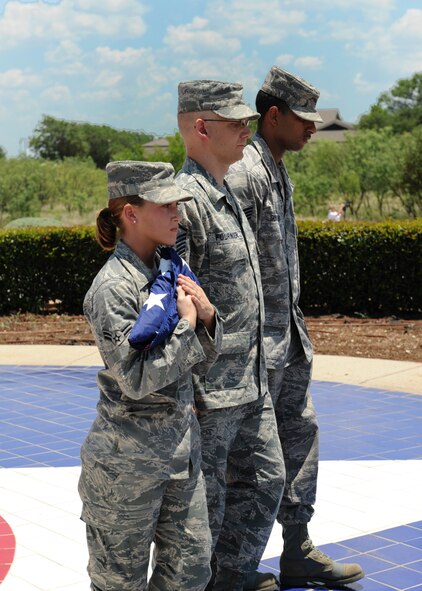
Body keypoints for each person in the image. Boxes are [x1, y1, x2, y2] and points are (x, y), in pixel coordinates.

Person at [227, 67, 365, 588]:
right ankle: (234, 568)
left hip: (287, 341)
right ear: (273, 115)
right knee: (250, 464)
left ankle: (296, 550)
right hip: (256, 348)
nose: (312, 128)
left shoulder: (275, 168)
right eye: (302, 119)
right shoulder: (244, 173)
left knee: (298, 443)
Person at [78, 160, 223, 591]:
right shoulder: (112, 289)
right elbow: (135, 379)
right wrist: (186, 325)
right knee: (121, 583)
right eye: (166, 204)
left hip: (180, 454)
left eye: (178, 202)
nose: (178, 212)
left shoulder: (170, 271)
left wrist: (209, 319)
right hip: (127, 467)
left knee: (191, 573)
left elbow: (200, 362)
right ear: (131, 214)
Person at [175, 80, 285, 591]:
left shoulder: (226, 191)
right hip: (212, 391)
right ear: (201, 127)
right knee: (207, 507)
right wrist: (188, 388)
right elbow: (177, 308)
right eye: (235, 122)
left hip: (251, 379)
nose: (248, 129)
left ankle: (234, 577)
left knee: (266, 481)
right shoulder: (185, 204)